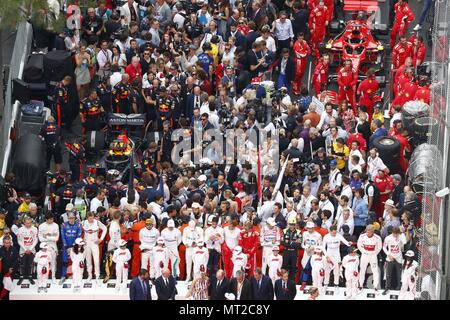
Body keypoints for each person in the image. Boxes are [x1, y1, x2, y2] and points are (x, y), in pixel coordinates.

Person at [322, 225, 351, 291]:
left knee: (337, 270)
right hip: (329, 254)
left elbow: (346, 242)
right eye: (333, 233)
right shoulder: (326, 236)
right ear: (330, 231)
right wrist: (326, 256)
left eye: (335, 232)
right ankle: (325, 284)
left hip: (336, 254)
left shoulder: (339, 235)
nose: (334, 234)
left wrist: (349, 243)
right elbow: (323, 247)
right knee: (327, 270)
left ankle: (336, 284)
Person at [82, 211, 107, 283]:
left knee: (96, 260)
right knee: (88, 261)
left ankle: (97, 276)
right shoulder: (83, 223)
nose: (91, 220)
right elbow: (78, 231)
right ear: (87, 218)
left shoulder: (97, 222)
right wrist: (81, 240)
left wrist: (101, 239)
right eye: (90, 218)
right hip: (86, 244)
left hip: (95, 243)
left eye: (92, 218)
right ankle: (89, 275)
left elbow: (105, 228)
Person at [357, 224, 382, 291]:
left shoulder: (377, 238)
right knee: (362, 270)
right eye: (368, 231)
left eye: (371, 231)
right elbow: (359, 245)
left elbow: (379, 247)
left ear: (373, 231)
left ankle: (376, 286)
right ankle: (360, 285)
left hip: (373, 255)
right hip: (364, 255)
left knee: (375, 271)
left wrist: (374, 253)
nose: (369, 232)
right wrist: (364, 252)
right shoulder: (362, 236)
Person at [383, 227, 407, 295]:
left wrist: (402, 234)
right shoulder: (388, 238)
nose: (396, 235)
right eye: (394, 234)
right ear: (392, 232)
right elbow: (384, 247)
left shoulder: (400, 236)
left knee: (399, 274)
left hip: (399, 257)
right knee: (388, 274)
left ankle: (399, 287)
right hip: (390, 257)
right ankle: (387, 287)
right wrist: (388, 255)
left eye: (397, 234)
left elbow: (405, 242)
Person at [38, 212, 59, 284]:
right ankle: (45, 277)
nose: (51, 221)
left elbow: (56, 238)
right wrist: (50, 237)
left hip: (53, 246)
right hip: (44, 247)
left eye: (52, 219)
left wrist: (46, 236)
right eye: (49, 219)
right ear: (46, 219)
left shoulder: (56, 225)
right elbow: (40, 239)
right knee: (44, 262)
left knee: (53, 262)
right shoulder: (41, 226)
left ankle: (53, 276)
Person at [17, 216, 38, 285]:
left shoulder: (35, 229)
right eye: (27, 223)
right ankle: (21, 276)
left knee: (31, 264)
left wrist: (30, 248)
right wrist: (26, 249)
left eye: (30, 223)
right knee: (22, 264)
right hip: (23, 250)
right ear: (24, 223)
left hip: (32, 249)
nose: (28, 224)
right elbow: (19, 241)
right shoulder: (20, 230)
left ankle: (30, 276)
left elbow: (36, 240)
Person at [281, 217, 302, 282]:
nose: (291, 226)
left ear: (295, 224)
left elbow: (299, 244)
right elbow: (282, 242)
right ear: (288, 224)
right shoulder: (284, 231)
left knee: (293, 267)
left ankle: (291, 281)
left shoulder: (298, 232)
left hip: (294, 252)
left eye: (293, 224)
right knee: (284, 266)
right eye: (290, 224)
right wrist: (293, 243)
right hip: (286, 251)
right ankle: (283, 280)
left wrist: (290, 243)